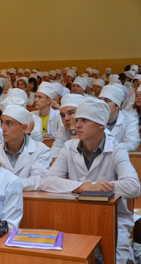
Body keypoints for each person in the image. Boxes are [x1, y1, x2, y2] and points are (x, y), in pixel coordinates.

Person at [40, 97, 140, 264]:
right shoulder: (68, 148)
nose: (76, 124)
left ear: (101, 124)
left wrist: (102, 188)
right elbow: (47, 181)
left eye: (84, 120)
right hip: (77, 216)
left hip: (113, 220)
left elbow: (133, 187)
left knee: (114, 259)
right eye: (77, 119)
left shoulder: (117, 149)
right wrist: (85, 186)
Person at [0, 105, 51, 191]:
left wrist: (6, 185)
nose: (2, 128)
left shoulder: (41, 150)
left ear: (24, 128)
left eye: (9, 124)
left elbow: (38, 180)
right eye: (2, 122)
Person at [99, 84, 140, 151]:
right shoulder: (93, 118)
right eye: (100, 100)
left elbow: (132, 144)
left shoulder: (129, 120)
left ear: (118, 105)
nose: (102, 104)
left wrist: (105, 146)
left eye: (107, 101)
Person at [50, 94, 84, 158]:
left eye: (71, 113)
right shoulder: (63, 130)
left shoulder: (92, 130)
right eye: (63, 115)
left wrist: (73, 129)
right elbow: (52, 155)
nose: (66, 118)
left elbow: (75, 157)